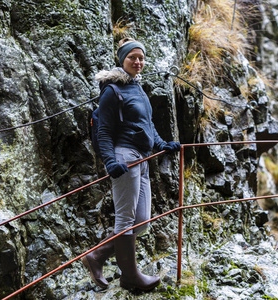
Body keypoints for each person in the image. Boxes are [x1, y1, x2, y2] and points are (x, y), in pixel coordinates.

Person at [81, 38, 181, 291]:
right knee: (126, 220)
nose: (138, 62)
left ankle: (96, 257)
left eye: (141, 58)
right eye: (132, 57)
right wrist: (110, 160)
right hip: (125, 158)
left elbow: (147, 125)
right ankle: (130, 277)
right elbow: (103, 130)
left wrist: (161, 144)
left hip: (144, 158)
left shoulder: (138, 88)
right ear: (122, 60)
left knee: (142, 221)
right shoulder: (112, 91)